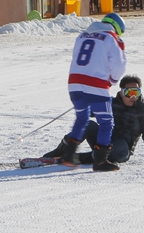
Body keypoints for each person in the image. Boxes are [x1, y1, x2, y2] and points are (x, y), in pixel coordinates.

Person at [43, 12, 128, 172]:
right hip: (95, 84)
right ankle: (101, 161)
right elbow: (119, 66)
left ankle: (69, 155)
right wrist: (112, 81)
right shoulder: (112, 38)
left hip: (74, 83)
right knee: (106, 121)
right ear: (117, 28)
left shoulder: (82, 36)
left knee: (82, 118)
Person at [75, 75, 144, 169]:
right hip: (103, 142)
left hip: (122, 149)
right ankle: (64, 151)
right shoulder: (111, 103)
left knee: (121, 146)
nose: (133, 96)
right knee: (88, 125)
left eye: (136, 92)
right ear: (121, 93)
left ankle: (78, 158)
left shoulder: (143, 109)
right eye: (128, 92)